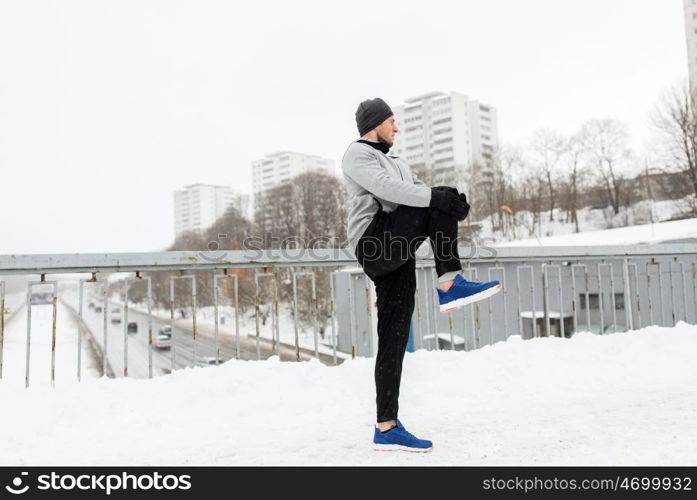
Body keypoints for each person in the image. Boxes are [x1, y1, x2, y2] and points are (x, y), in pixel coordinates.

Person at [341, 97, 502, 453]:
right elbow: (391, 193)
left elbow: (418, 195)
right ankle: (450, 284)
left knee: (393, 339)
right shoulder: (358, 153)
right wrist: (439, 200)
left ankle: (386, 427)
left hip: (396, 250)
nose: (397, 128)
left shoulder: (397, 160)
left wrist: (451, 206)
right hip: (374, 241)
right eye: (392, 122)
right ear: (375, 123)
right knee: (437, 196)